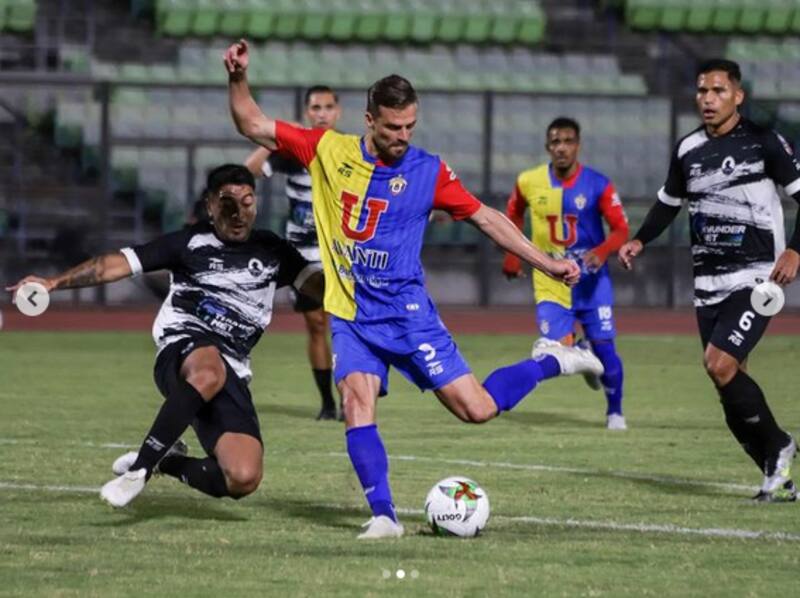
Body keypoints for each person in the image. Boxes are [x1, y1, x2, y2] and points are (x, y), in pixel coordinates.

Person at [225, 39, 606, 538]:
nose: (402, 136)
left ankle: (553, 359)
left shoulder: (428, 171)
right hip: (351, 314)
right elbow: (251, 122)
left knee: (477, 410)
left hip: (408, 317)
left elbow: (487, 218)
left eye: (410, 126)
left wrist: (547, 263)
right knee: (355, 403)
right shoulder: (326, 149)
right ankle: (384, 515)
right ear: (369, 120)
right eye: (392, 127)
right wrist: (238, 77)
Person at [7, 164, 323, 508]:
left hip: (232, 368)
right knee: (209, 370)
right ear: (210, 206)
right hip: (183, 347)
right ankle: (139, 471)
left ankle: (167, 461)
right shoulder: (190, 242)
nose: (238, 213)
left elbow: (320, 289)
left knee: (242, 477)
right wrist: (53, 283)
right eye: (227, 203)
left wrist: (355, 278)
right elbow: (117, 264)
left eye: (247, 202)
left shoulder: (273, 251)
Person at [618, 59, 800, 502]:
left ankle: (779, 444)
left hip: (756, 278)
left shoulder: (764, 142)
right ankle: (777, 477)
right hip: (707, 283)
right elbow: (668, 203)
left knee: (718, 364)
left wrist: (795, 250)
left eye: (718, 91)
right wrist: (640, 239)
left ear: (738, 96)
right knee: (728, 384)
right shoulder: (689, 148)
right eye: (702, 91)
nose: (708, 99)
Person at [502, 117, 630, 430]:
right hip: (551, 280)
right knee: (554, 349)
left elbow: (621, 229)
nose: (561, 148)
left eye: (568, 141)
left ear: (578, 145)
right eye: (556, 142)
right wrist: (512, 255)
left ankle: (615, 413)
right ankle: (581, 353)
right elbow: (513, 215)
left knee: (606, 350)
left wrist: (602, 251)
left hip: (591, 282)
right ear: (547, 147)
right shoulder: (528, 181)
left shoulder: (598, 184)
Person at [244, 85, 341, 421]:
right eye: (316, 107)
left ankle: (353, 398)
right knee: (316, 324)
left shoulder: (348, 150)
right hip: (302, 255)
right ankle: (328, 403)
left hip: (339, 253)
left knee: (346, 327)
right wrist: (275, 138)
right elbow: (249, 170)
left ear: (338, 112)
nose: (322, 114)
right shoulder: (294, 151)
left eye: (328, 107)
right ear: (306, 112)